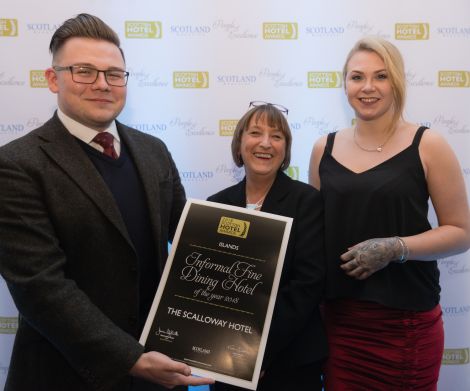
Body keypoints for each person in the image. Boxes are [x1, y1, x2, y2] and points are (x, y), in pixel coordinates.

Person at [0, 13, 213, 391]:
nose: (102, 84)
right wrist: (131, 359)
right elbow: (41, 288)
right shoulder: (16, 165)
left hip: (157, 370)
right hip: (64, 374)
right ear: (53, 79)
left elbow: (192, 247)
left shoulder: (154, 151)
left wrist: (237, 344)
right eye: (84, 71)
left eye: (114, 74)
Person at [309, 36, 470, 390]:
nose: (368, 87)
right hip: (340, 323)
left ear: (396, 82)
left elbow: (461, 232)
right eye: (357, 77)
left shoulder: (428, 144)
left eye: (381, 76)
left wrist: (397, 247)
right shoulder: (324, 148)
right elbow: (315, 236)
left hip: (406, 325)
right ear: (345, 84)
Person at [208, 101, 327, 391]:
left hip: (288, 361)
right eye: (255, 133)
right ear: (239, 145)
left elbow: (306, 286)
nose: (265, 143)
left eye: (276, 136)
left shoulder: (307, 201)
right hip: (224, 362)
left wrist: (254, 354)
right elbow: (210, 289)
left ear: (285, 149)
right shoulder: (215, 205)